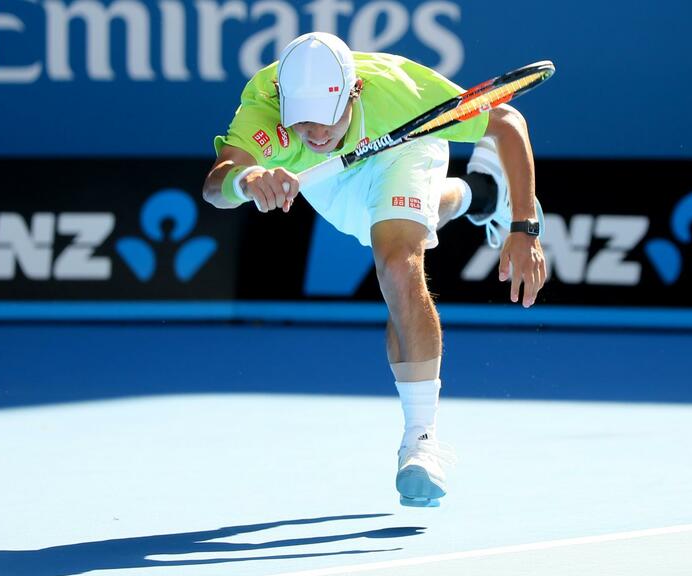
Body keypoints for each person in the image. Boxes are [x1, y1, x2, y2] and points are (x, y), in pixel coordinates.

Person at [202, 32, 547, 507]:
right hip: (330, 181)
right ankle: (478, 193)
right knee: (388, 226)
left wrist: (524, 227)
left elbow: (507, 122)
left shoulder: (400, 91)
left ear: (353, 93)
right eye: (303, 122)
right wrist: (250, 178)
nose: (317, 132)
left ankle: (421, 443)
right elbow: (216, 184)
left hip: (403, 147)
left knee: (396, 263)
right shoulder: (265, 106)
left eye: (328, 119)